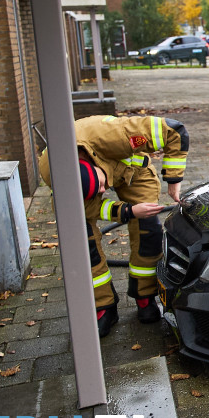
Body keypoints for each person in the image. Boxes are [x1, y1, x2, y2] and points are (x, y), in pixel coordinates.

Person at [38, 114, 189, 336]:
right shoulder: (55, 175)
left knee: (148, 231)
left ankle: (145, 296)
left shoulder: (115, 135)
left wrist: (173, 180)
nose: (103, 190)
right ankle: (103, 306)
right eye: (98, 191)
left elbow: (175, 131)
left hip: (133, 173)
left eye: (100, 185)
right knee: (82, 243)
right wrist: (127, 211)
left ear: (93, 166)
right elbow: (88, 208)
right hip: (82, 185)